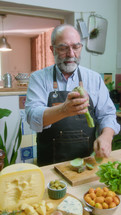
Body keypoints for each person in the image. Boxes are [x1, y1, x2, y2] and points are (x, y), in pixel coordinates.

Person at [25, 24, 120, 166]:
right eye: (63, 48)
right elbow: (32, 117)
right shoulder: (38, 78)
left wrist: (107, 136)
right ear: (52, 49)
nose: (71, 54)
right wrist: (64, 110)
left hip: (87, 161)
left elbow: (107, 114)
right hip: (50, 163)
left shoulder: (94, 78)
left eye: (76, 47)